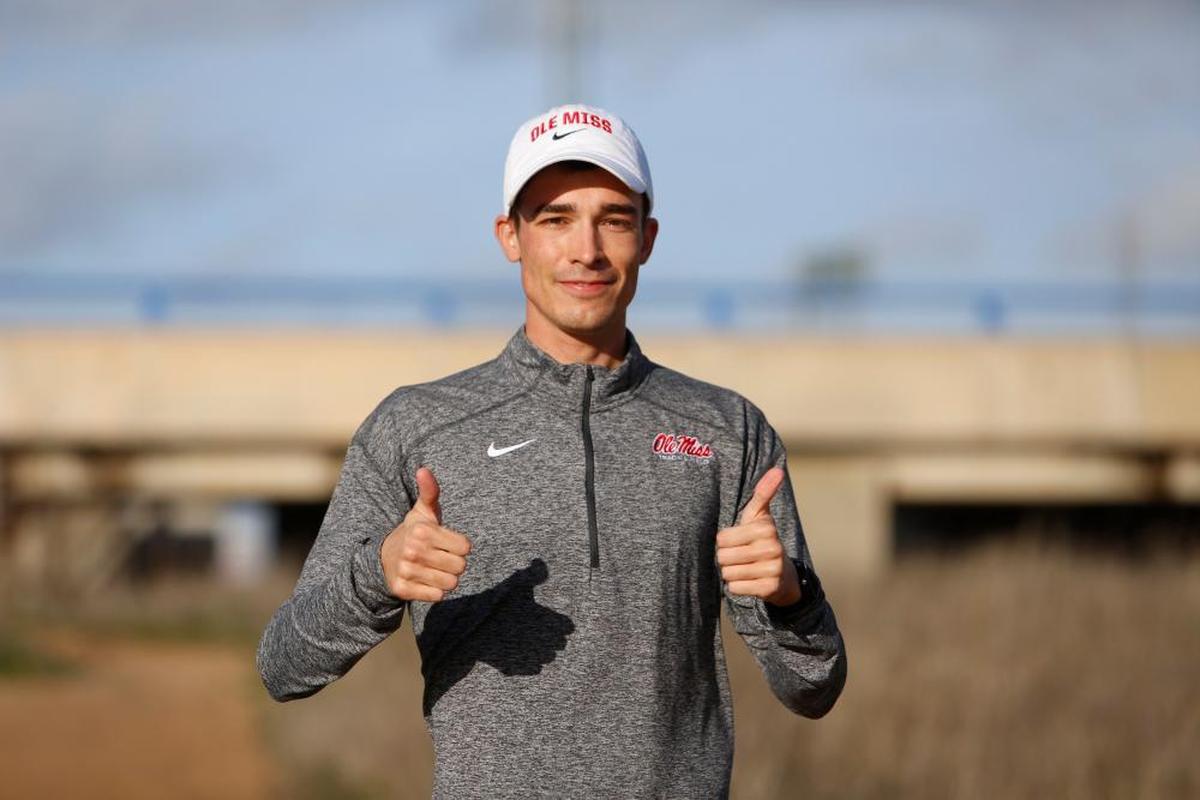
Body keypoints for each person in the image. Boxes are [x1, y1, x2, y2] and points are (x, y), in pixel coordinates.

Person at [257, 103, 847, 798]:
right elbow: (284, 667)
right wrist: (378, 575)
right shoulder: (416, 427)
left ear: (648, 238)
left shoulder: (728, 430)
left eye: (614, 219)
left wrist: (789, 596)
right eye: (555, 217)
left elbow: (814, 687)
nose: (586, 250)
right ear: (510, 235)